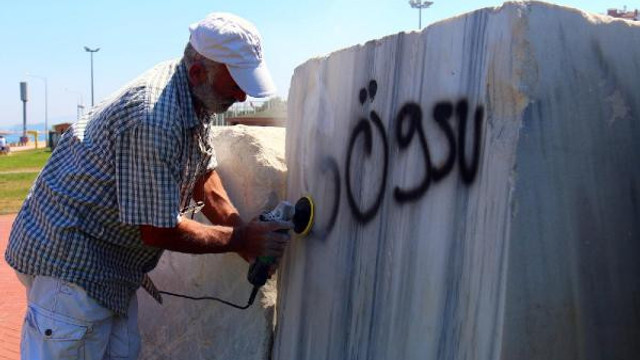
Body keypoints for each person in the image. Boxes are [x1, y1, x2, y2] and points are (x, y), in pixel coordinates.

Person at [4, 13, 291, 360]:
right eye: (235, 85)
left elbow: (203, 173)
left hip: (112, 269)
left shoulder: (193, 94)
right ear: (199, 72)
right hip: (69, 268)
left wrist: (238, 227)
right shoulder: (153, 116)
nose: (243, 95)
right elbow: (158, 229)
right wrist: (242, 240)